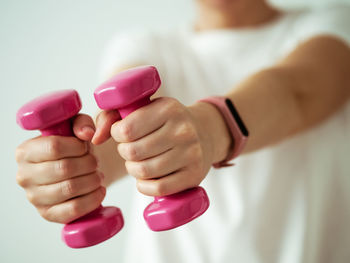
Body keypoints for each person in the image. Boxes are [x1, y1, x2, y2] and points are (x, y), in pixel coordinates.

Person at [15, 0, 350, 262]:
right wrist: (71, 170)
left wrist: (211, 128)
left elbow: (297, 92)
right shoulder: (144, 46)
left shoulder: (333, 21)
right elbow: (117, 133)